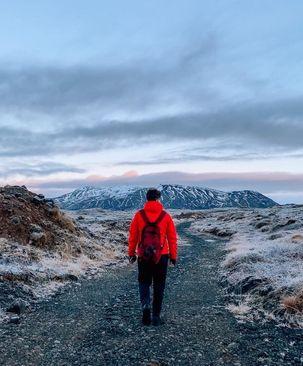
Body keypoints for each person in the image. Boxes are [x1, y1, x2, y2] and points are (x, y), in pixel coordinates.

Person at [128, 188, 178, 326]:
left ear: (147, 199)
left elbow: (133, 237)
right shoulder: (166, 216)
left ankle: (145, 307)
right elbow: (172, 238)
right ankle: (156, 316)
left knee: (144, 282)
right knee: (159, 285)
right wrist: (173, 256)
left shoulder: (139, 215)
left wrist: (131, 253)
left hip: (143, 256)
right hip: (161, 256)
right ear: (158, 199)